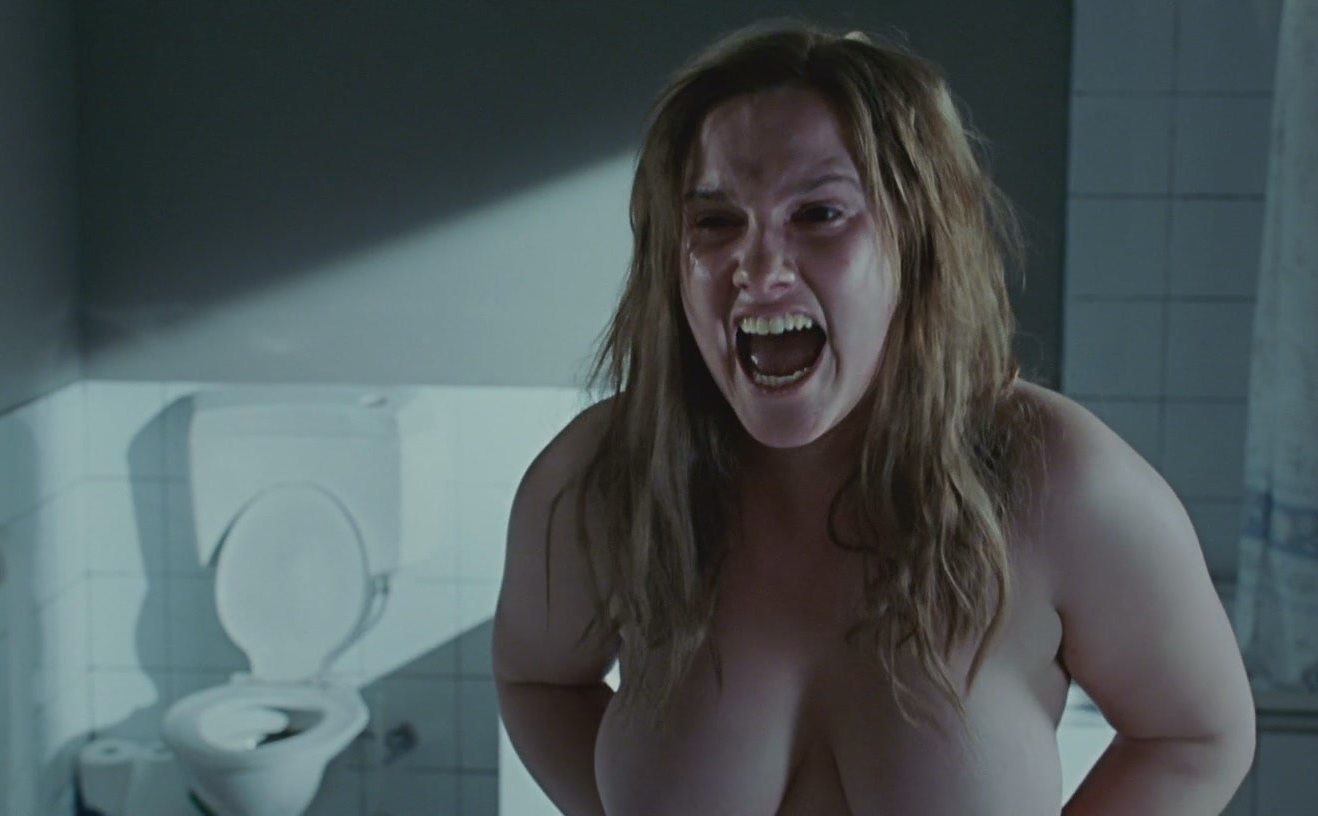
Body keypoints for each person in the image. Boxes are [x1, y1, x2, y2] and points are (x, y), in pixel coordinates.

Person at [492, 19, 1256, 816]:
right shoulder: (606, 478)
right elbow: (536, 678)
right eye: (716, 222)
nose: (760, 269)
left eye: (819, 214)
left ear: (917, 240)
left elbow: (1198, 736)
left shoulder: (1058, 481)